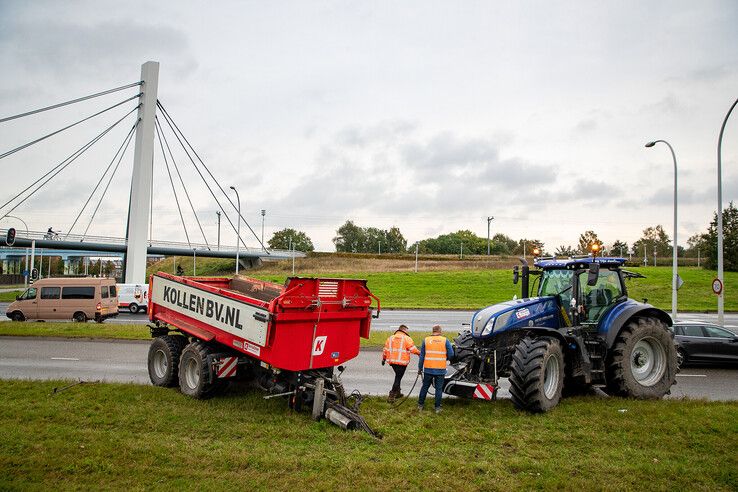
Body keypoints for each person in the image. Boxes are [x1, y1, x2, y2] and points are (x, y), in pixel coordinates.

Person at [417, 325, 454, 414]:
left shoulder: (426, 340)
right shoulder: (445, 340)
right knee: (438, 389)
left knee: (425, 387)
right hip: (440, 369)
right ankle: (437, 408)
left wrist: (419, 368)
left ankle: (420, 405)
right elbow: (451, 354)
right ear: (440, 331)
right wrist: (446, 358)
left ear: (433, 331)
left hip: (428, 369)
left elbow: (422, 356)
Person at [382, 324, 420, 402]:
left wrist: (383, 359)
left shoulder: (390, 338)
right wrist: (420, 353)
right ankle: (391, 396)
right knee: (398, 378)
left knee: (398, 376)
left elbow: (385, 349)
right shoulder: (407, 338)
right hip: (402, 363)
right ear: (404, 330)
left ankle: (398, 393)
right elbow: (413, 349)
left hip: (392, 362)